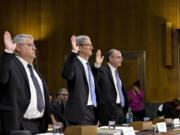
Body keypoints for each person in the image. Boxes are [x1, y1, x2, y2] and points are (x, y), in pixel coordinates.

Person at [0, 31, 49, 135]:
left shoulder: (34, 70)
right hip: (18, 125)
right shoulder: (10, 63)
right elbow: (1, 78)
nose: (34, 48)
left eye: (34, 45)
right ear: (17, 47)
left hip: (37, 125)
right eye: (30, 45)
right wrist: (8, 52)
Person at [61, 35, 101, 125]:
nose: (92, 47)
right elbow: (66, 74)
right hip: (79, 114)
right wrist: (73, 52)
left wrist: (97, 66)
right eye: (88, 45)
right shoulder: (74, 63)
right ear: (79, 47)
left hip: (92, 112)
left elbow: (90, 85)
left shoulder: (87, 65)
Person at [93, 49, 128, 126]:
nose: (121, 59)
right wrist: (97, 66)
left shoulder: (117, 73)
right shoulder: (102, 70)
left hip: (120, 111)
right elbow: (93, 80)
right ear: (111, 58)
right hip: (107, 112)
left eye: (121, 57)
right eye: (118, 57)